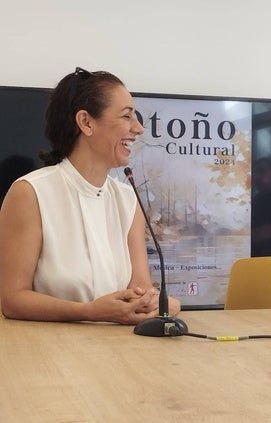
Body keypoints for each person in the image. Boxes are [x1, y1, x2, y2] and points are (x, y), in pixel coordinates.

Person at [0, 67, 181, 324]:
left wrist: (157, 303)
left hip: (121, 351)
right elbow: (12, 300)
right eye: (127, 116)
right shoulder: (30, 192)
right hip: (48, 356)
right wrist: (89, 311)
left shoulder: (128, 200)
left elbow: (141, 290)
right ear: (86, 122)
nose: (139, 128)